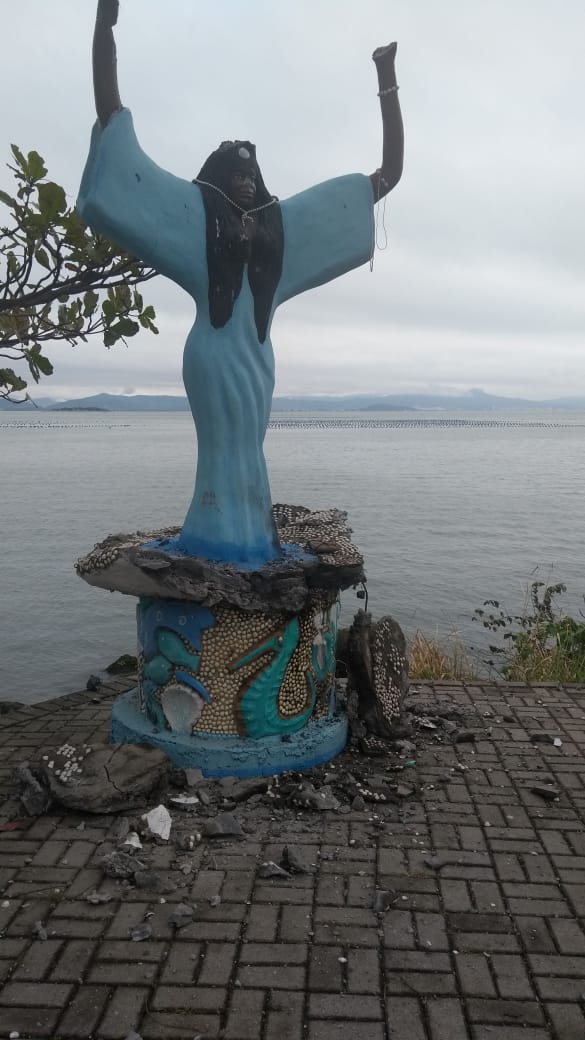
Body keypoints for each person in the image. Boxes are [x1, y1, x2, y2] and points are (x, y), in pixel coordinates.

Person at [79, 0, 404, 567]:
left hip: (256, 357)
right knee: (225, 452)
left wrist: (387, 81)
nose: (248, 183)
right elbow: (115, 127)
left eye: (254, 174)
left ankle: (249, 536)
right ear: (217, 177)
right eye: (237, 173)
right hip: (212, 356)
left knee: (250, 453)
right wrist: (105, 28)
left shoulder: (281, 233)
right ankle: (220, 537)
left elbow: (387, 176)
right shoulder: (194, 217)